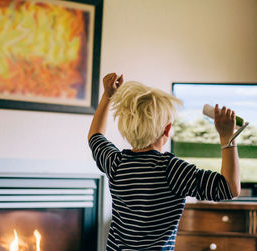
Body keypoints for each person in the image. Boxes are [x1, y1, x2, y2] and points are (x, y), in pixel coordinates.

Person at [88, 73, 240, 251]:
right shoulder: (172, 169)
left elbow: (95, 136)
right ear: (167, 130)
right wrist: (227, 137)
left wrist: (107, 96)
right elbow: (229, 187)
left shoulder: (116, 163)